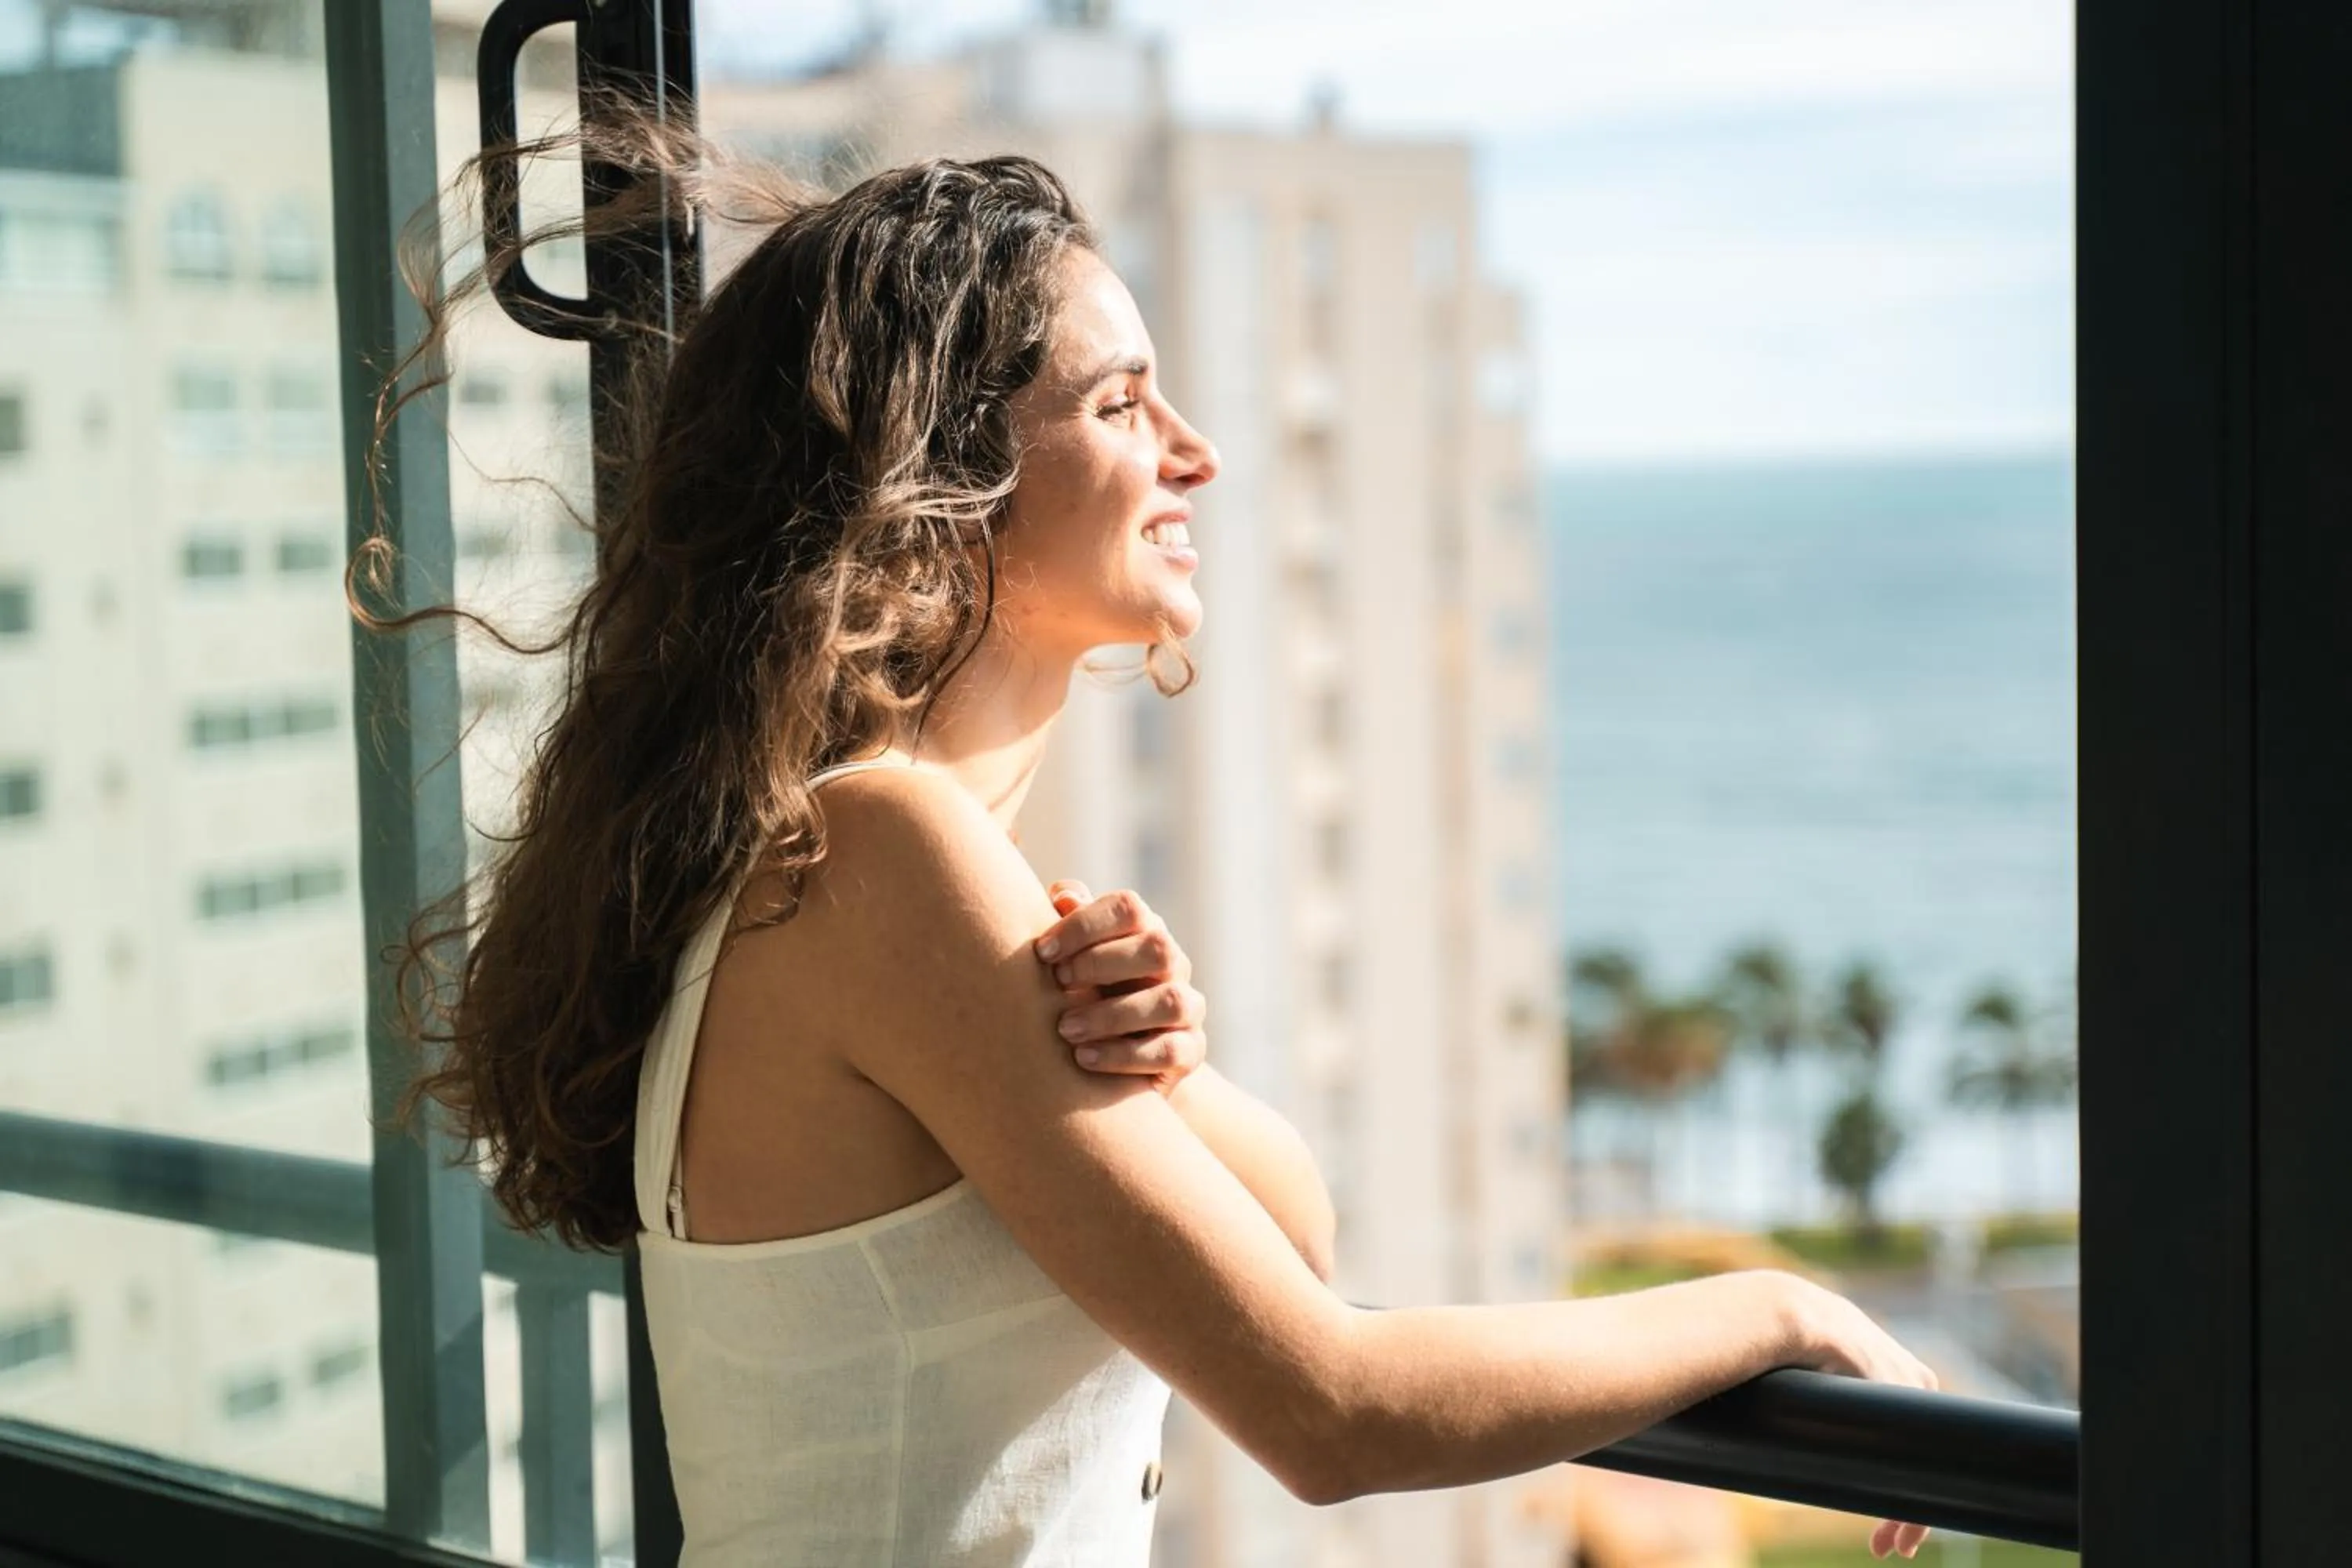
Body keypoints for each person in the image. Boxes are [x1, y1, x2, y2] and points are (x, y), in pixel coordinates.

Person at [376, 146, 1936, 1566]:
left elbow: (1293, 1244)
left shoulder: (853, 863)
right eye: (1122, 405)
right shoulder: (879, 851)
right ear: (942, 486)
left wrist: (1163, 1064)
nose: (1192, 455)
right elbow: (1332, 1411)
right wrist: (1777, 1306)